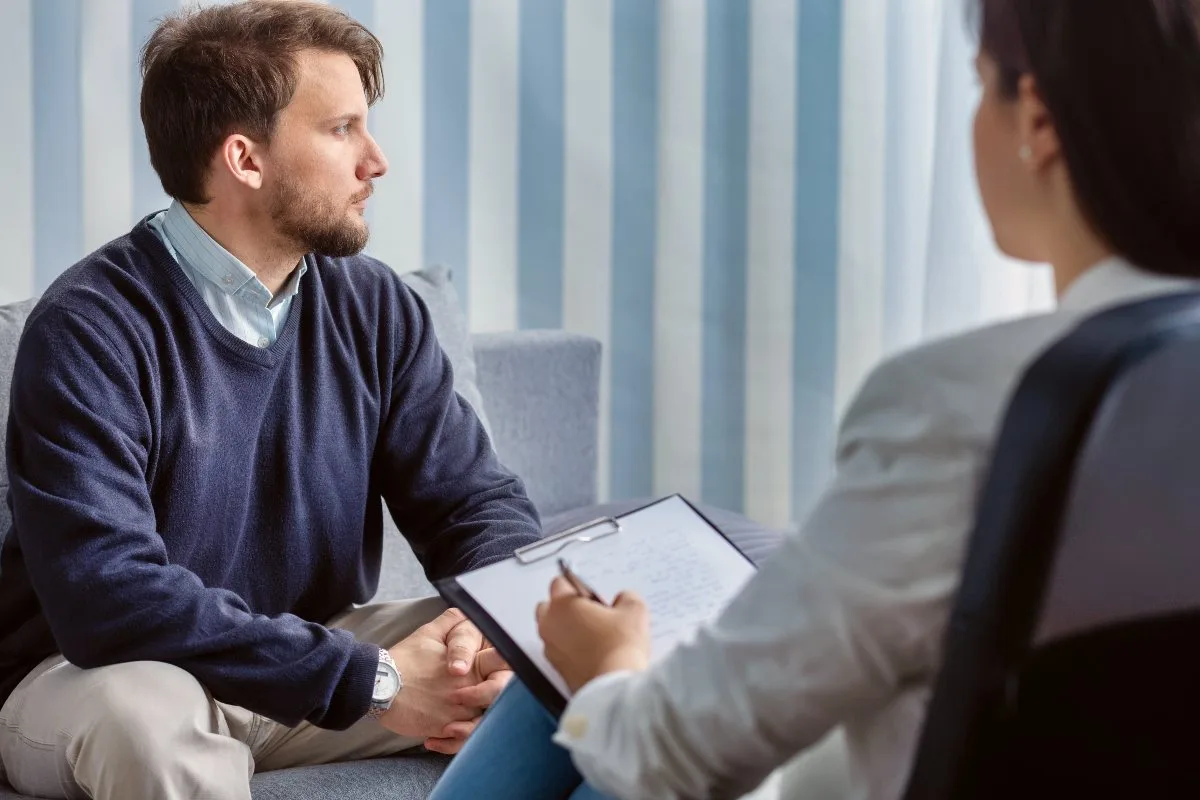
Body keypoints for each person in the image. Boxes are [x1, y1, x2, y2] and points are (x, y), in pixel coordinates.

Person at [430, 0, 1200, 797]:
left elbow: (674, 757)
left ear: (1036, 121)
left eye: (979, 88)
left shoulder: (961, 402)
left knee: (575, 694)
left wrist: (607, 668)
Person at [0, 2, 540, 798]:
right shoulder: (90, 328)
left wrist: (493, 626)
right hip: (100, 673)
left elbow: (474, 504)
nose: (376, 161)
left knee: (569, 648)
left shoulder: (375, 307)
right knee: (145, 717)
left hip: (306, 658)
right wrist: (377, 684)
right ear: (245, 160)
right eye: (342, 130)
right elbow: (106, 598)